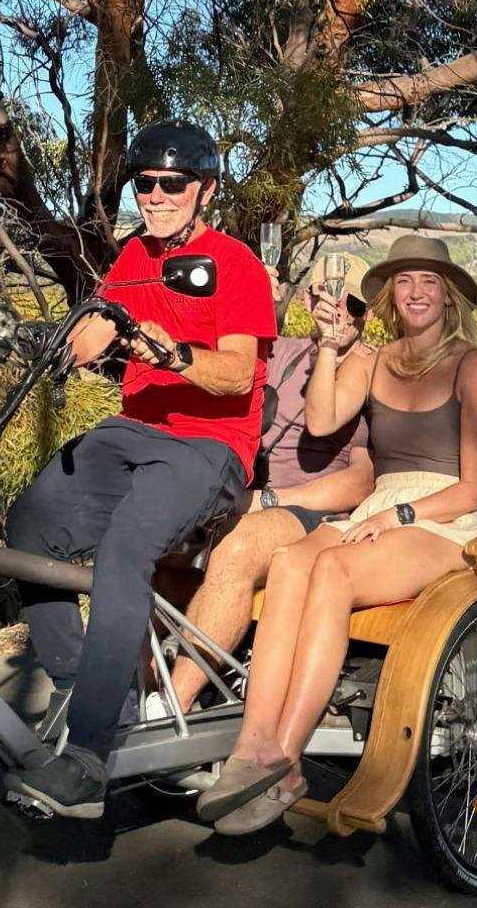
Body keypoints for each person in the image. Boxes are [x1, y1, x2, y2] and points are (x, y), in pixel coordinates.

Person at [4, 120, 277, 819]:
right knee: (31, 525)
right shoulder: (134, 256)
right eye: (144, 184)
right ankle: (91, 690)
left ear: (205, 191)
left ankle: (89, 757)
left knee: (125, 548)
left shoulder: (234, 264)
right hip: (133, 431)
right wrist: (37, 340)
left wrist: (170, 353)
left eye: (170, 184)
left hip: (210, 446)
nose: (154, 196)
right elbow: (96, 331)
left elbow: (236, 373)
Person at [194, 234, 477, 834]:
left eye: (430, 281)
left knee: (333, 570)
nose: (416, 292)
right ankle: (251, 749)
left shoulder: (472, 366)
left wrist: (399, 516)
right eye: (405, 281)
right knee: (290, 561)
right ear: (391, 295)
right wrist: (331, 348)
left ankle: (286, 762)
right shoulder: (375, 360)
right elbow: (321, 421)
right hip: (381, 506)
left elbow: (474, 488)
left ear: (448, 296)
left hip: (447, 519)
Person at [161, 253, 377, 718]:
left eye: (353, 304)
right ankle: (133, 689)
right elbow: (214, 369)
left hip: (315, 513)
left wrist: (269, 500)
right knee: (150, 537)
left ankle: (171, 707)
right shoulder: (281, 353)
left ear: (369, 313)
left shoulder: (369, 371)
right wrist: (249, 300)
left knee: (237, 547)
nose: (339, 311)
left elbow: (361, 482)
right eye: (327, 297)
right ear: (309, 301)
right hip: (242, 496)